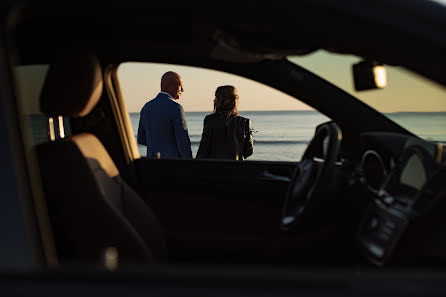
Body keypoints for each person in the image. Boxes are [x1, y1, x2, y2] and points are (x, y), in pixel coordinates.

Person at [137, 71, 192, 159]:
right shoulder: (176, 108)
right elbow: (183, 142)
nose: (182, 90)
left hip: (151, 163)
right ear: (170, 86)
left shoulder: (146, 107)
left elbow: (141, 139)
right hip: (171, 165)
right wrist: (191, 164)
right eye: (180, 85)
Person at [196, 85, 254, 160]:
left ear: (220, 100)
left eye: (216, 97)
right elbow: (249, 151)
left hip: (214, 167)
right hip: (237, 168)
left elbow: (203, 149)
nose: (214, 100)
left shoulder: (210, 120)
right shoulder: (245, 122)